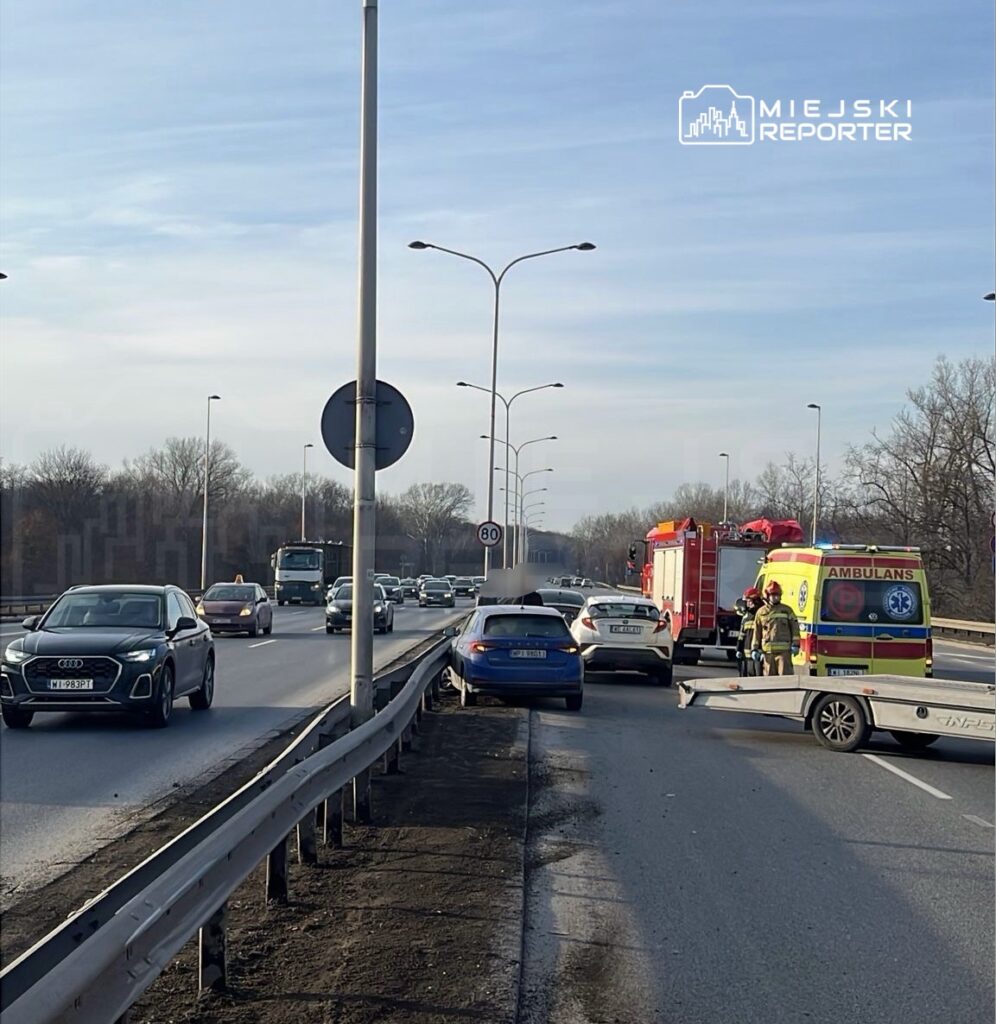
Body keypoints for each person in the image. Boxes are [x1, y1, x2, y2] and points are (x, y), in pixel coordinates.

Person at [751, 581, 800, 676]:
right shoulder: (761, 612)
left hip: (784, 653)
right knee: (769, 681)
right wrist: (754, 649)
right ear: (768, 596)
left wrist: (796, 645)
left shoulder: (787, 610)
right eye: (772, 595)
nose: (775, 597)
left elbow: (795, 628)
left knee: (785, 678)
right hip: (768, 653)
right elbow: (757, 632)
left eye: (777, 595)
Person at [736, 587, 763, 677]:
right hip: (746, 656)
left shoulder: (762, 615)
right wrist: (739, 649)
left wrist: (763, 652)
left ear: (755, 601)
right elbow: (741, 635)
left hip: (758, 655)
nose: (747, 604)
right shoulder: (746, 617)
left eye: (749, 601)